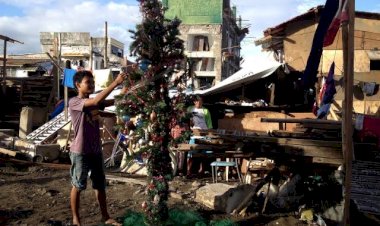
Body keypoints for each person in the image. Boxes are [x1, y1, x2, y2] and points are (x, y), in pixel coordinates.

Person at [69, 70, 126, 226]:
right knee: (78, 185)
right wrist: (115, 83)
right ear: (77, 85)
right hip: (80, 151)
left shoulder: (93, 102)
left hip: (95, 150)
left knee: (100, 184)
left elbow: (106, 103)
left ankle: (105, 217)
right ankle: (76, 219)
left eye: (93, 82)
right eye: (88, 82)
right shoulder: (75, 102)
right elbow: (95, 102)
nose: (92, 85)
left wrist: (124, 92)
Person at [186, 95, 212, 178]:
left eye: (200, 101)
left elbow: (209, 124)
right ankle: (188, 171)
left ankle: (201, 171)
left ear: (202, 102)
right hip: (194, 134)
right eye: (197, 101)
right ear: (194, 102)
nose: (198, 103)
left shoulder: (206, 111)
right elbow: (186, 119)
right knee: (191, 153)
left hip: (204, 134)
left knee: (204, 154)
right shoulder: (190, 109)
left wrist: (209, 134)